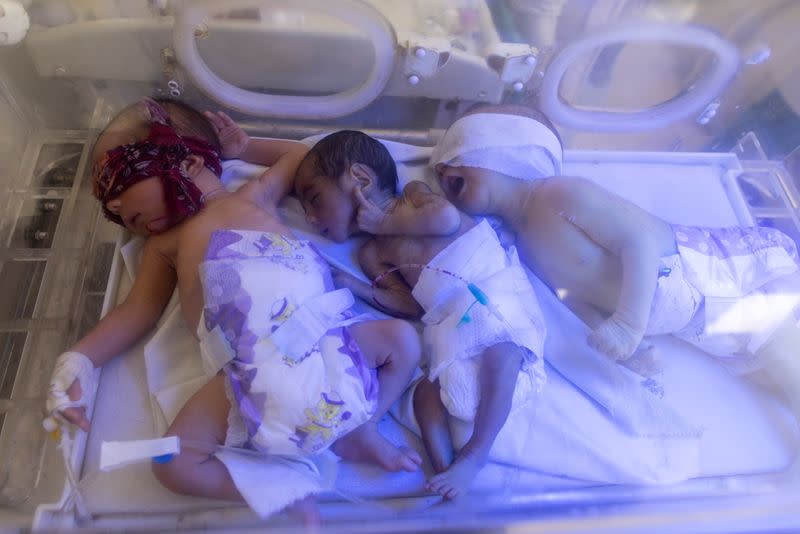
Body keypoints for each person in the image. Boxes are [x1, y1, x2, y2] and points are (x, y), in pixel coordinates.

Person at [46, 98, 422, 519]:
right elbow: (137, 312)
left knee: (403, 340)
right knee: (171, 464)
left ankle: (360, 428)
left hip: (323, 342)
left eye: (118, 185)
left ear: (184, 162)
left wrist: (243, 149)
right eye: (110, 206)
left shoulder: (254, 196)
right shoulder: (163, 246)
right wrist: (77, 362)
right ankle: (281, 488)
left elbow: (299, 155)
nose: (112, 208)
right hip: (247, 373)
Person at [431, 103, 800, 416]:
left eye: (456, 156)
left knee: (783, 353)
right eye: (439, 172)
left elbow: (637, 241)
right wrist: (620, 342)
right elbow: (570, 296)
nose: (443, 171)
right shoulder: (522, 246)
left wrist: (627, 322)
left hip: (711, 275)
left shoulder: (557, 194)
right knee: (767, 374)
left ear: (505, 149)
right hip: (691, 324)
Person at [294, 130, 547, 499]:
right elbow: (410, 304)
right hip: (449, 321)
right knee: (423, 393)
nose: (311, 218)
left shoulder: (412, 198)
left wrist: (386, 224)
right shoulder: (371, 255)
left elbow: (445, 220)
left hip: (494, 292)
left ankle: (477, 453)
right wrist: (356, 285)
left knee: (502, 352)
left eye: (315, 200)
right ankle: (445, 470)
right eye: (304, 212)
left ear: (361, 179)